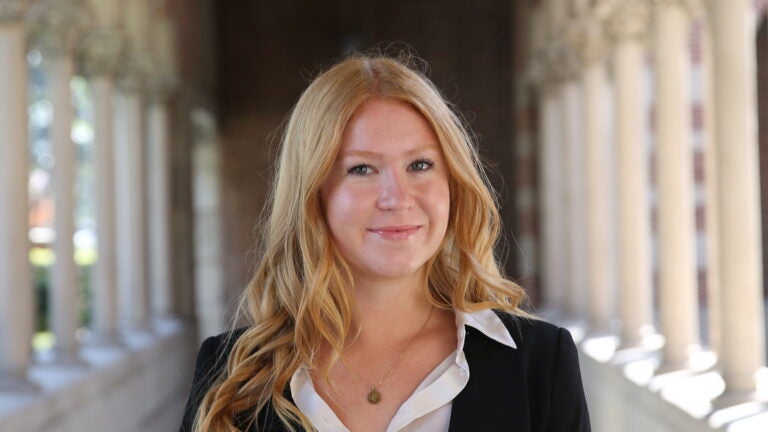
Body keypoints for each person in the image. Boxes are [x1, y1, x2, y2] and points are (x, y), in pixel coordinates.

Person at [179, 51, 591, 432]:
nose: (397, 197)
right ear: (315, 193)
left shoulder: (539, 362)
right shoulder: (231, 374)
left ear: (452, 183)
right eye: (361, 169)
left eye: (420, 164)